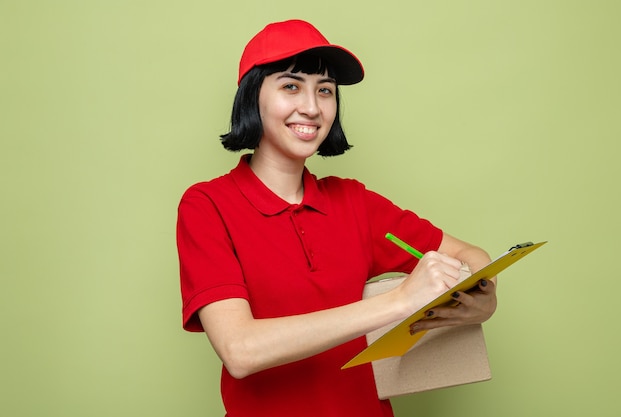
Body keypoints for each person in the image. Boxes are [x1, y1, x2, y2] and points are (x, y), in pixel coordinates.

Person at [177, 19, 497, 417]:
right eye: (291, 86)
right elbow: (240, 350)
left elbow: (474, 256)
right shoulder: (206, 206)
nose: (312, 107)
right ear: (251, 97)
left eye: (325, 91)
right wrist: (400, 301)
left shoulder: (354, 202)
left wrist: (479, 301)